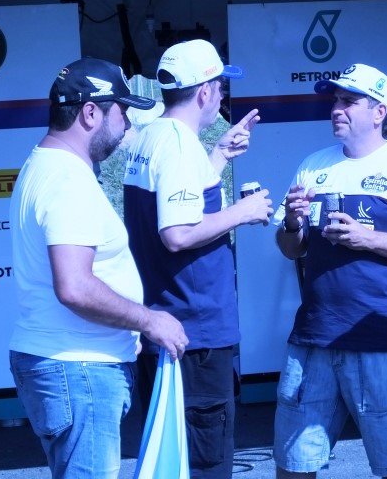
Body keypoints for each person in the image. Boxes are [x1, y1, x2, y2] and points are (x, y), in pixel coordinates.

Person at [8, 57, 188, 479]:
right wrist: (148, 321)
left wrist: (124, 330)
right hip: (79, 369)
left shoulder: (44, 165)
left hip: (70, 363)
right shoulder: (68, 180)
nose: (126, 125)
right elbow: (74, 286)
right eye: (122, 111)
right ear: (91, 112)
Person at [273, 63, 387, 479]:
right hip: (314, 337)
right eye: (336, 100)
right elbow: (289, 249)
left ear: (379, 111)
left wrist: (367, 239)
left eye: (349, 101)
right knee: (293, 465)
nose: (337, 108)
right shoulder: (313, 164)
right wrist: (292, 223)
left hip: (381, 339)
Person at [123, 39, 273, 479]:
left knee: (175, 458)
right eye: (221, 86)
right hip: (195, 332)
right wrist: (242, 213)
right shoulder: (178, 145)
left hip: (171, 324)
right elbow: (178, 233)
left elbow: (179, 204)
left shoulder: (155, 136)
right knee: (205, 462)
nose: (223, 95)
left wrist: (219, 154)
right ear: (205, 92)